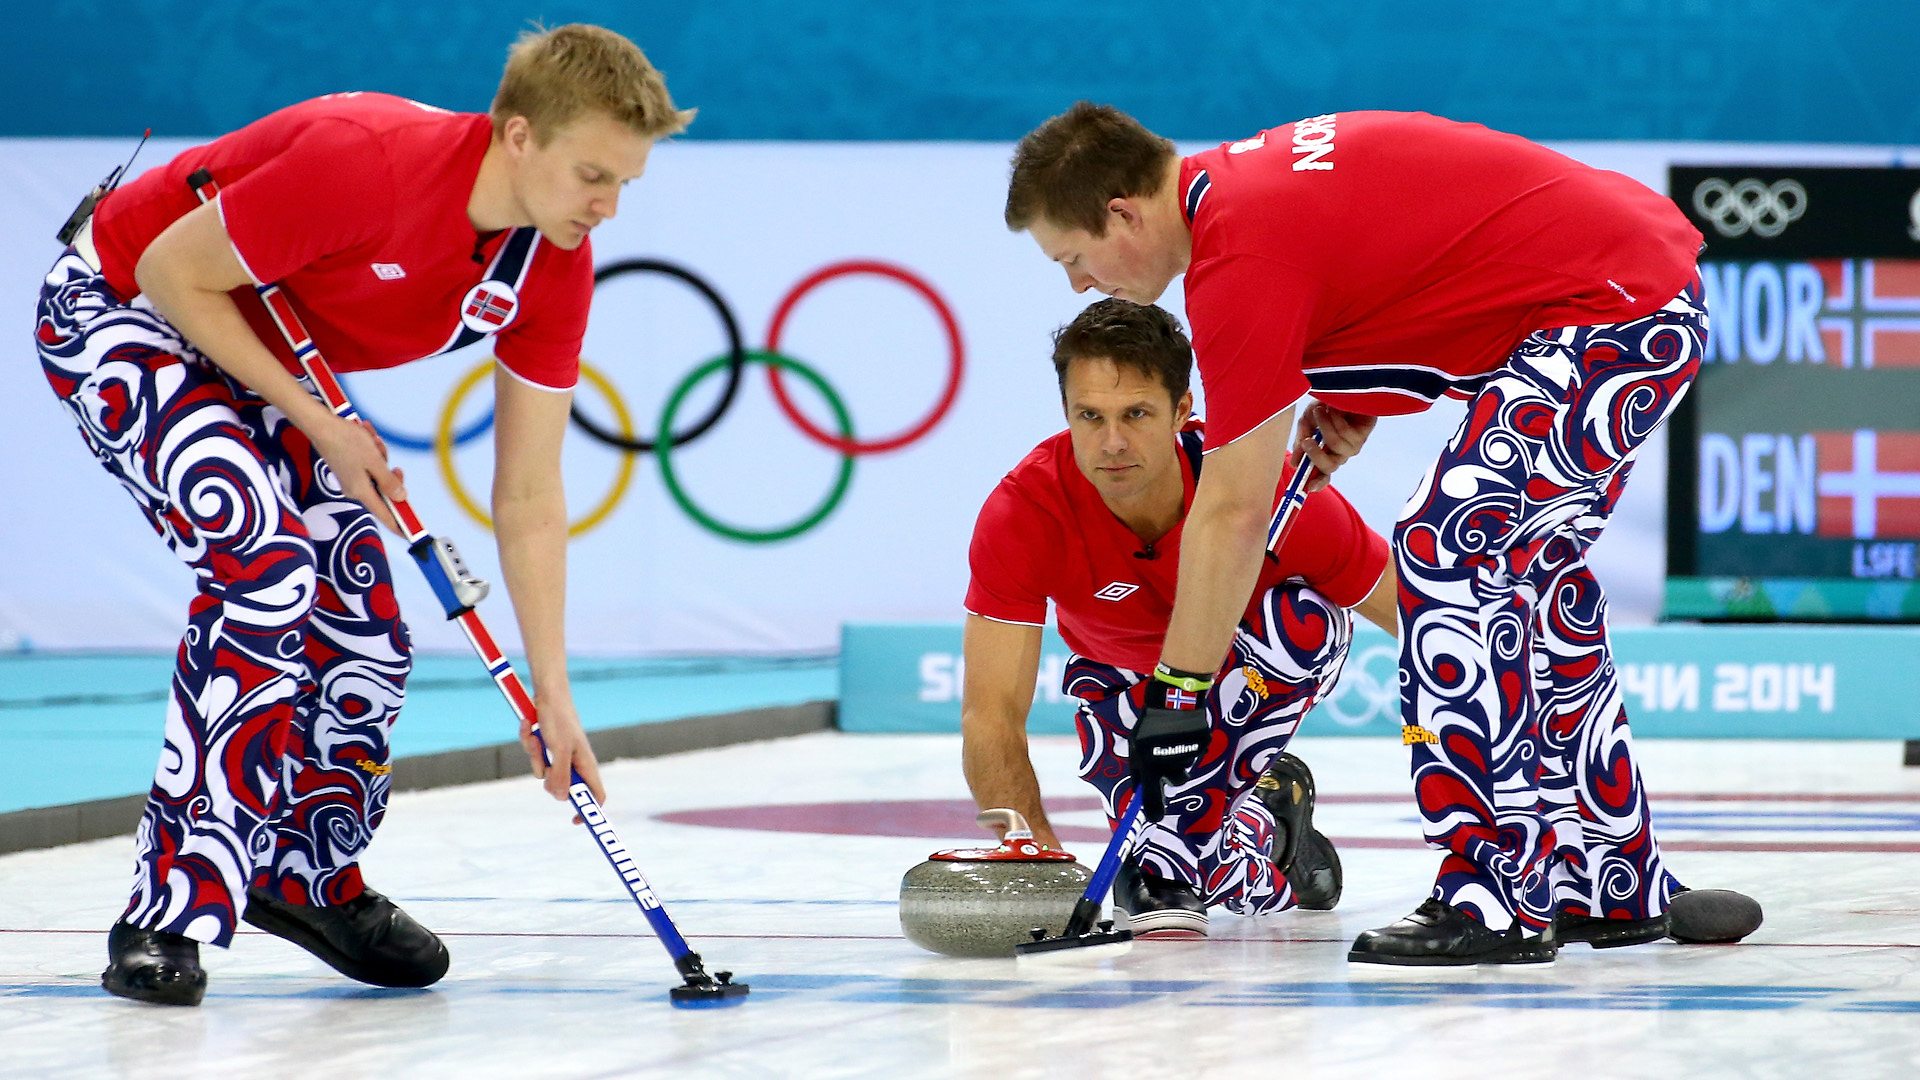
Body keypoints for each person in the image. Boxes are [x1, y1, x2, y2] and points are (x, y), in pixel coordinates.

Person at [1004, 104, 1761, 964]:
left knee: (1447, 554)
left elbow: (1233, 509)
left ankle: (1495, 891)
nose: (1076, 282)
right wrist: (1355, 397)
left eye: (1073, 256)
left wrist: (1179, 693)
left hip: (1606, 308)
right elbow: (1408, 244)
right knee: (1536, 583)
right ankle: (1605, 877)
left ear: (1122, 212)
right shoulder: (1240, 194)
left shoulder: (1235, 257)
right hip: (1630, 294)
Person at [34, 24, 691, 1005]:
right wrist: (318, 419)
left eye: (625, 185)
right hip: (126, 306)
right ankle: (167, 905)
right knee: (265, 568)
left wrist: (556, 697)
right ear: (518, 136)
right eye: (593, 174)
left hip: (258, 354)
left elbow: (528, 494)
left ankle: (306, 877)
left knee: (369, 632)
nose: (606, 206)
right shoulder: (369, 161)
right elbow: (176, 274)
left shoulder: (553, 261)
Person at [961, 298, 1396, 937]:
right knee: (1176, 879)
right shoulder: (1023, 513)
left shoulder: (1267, 493)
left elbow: (1426, 622)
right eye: (1090, 416)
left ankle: (1195, 832)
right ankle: (1270, 825)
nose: (1111, 443)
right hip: (1125, 687)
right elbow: (990, 715)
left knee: (1300, 621)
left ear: (1184, 411)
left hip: (1254, 670)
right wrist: (1040, 869)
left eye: (1136, 414)